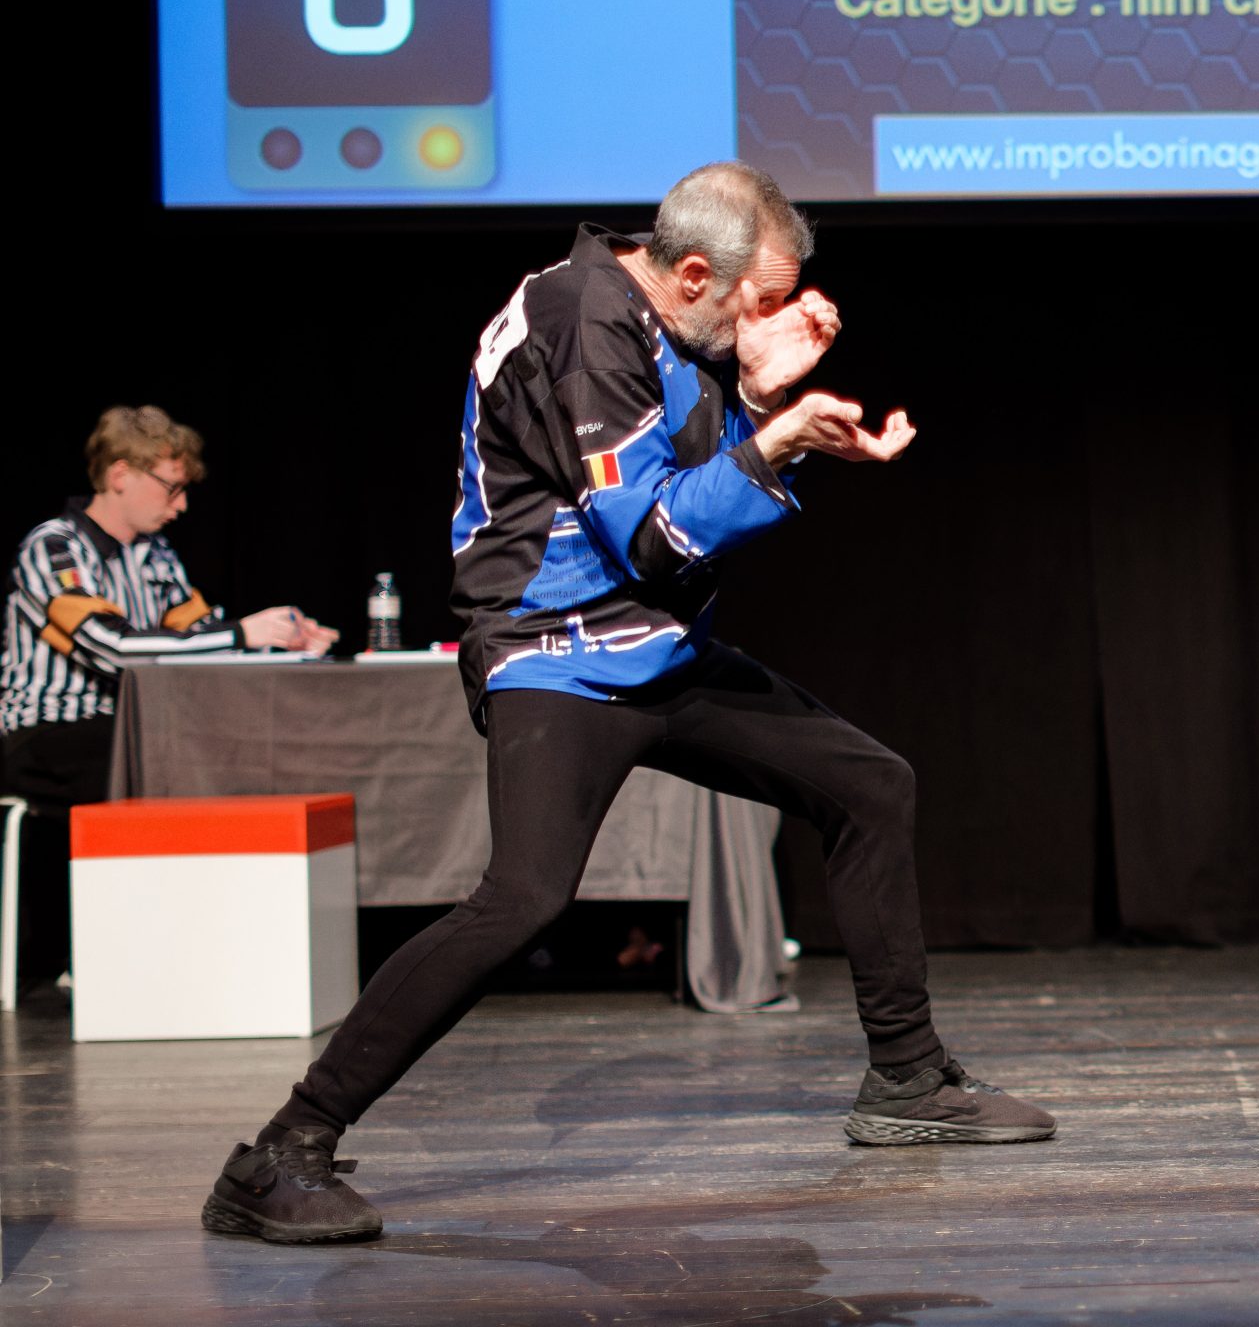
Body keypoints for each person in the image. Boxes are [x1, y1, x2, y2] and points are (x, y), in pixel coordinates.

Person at [201, 162, 1055, 1247]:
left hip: (654, 649)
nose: (772, 320)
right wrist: (773, 437)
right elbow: (654, 535)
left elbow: (681, 491)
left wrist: (757, 402)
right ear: (695, 274)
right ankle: (278, 1154)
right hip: (556, 652)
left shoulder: (664, 327)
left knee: (868, 786)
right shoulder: (580, 317)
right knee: (523, 900)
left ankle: (908, 1081)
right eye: (759, 301)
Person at [2, 407, 336, 994]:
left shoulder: (155, 555)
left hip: (130, 729)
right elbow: (112, 648)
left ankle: (204, 949)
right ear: (120, 474)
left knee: (217, 750)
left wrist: (282, 640)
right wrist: (243, 633)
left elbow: (200, 638)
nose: (180, 506)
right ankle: (119, 955)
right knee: (166, 757)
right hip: (45, 732)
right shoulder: (53, 549)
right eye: (171, 487)